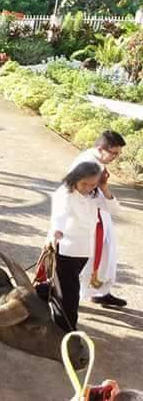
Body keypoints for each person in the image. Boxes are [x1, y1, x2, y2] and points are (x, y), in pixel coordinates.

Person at [48, 161, 120, 329]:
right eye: (84, 183)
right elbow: (60, 215)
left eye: (92, 184)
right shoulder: (65, 193)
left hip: (85, 251)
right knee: (69, 294)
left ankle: (43, 295)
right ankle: (66, 329)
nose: (87, 187)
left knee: (65, 287)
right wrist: (56, 232)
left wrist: (104, 188)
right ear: (75, 178)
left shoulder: (94, 194)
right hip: (66, 249)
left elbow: (115, 210)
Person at [69, 130, 127, 308]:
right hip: (88, 218)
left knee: (105, 256)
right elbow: (78, 193)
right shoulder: (87, 164)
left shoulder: (96, 161)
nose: (116, 157)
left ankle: (99, 291)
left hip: (99, 215)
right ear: (102, 148)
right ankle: (77, 295)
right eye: (114, 153)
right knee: (88, 259)